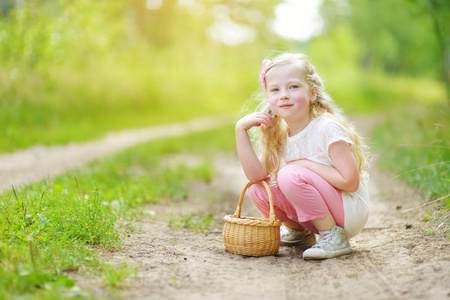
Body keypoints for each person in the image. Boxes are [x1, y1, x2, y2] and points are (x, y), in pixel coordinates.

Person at [235, 52, 370, 260]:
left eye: (293, 87)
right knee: (258, 189)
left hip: (347, 211)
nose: (284, 95)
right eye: (275, 90)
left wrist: (305, 164)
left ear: (312, 93)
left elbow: (350, 182)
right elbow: (255, 176)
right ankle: (300, 232)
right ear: (269, 98)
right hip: (321, 210)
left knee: (289, 174)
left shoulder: (326, 128)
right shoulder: (280, 137)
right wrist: (240, 130)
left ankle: (333, 236)